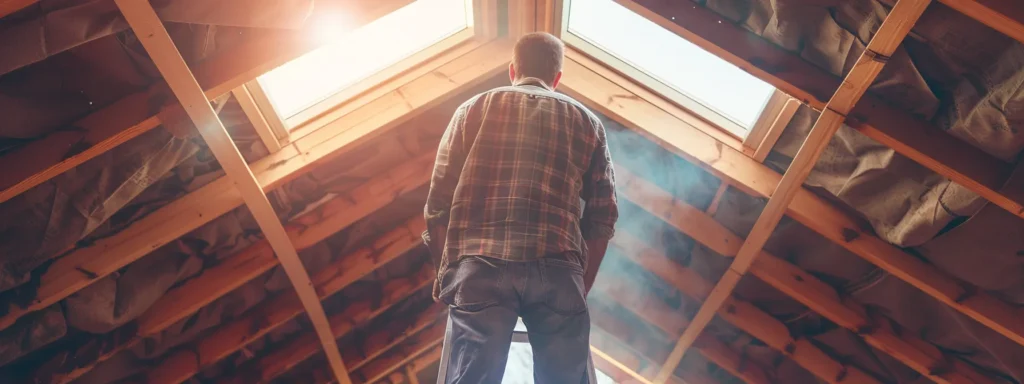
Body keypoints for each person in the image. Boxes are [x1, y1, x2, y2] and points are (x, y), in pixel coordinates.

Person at [422, 32, 619, 383]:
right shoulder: (588, 123)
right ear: (557, 78)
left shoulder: (471, 111)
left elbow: (437, 207)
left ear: (513, 70)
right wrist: (580, 284)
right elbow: (603, 218)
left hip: (479, 269)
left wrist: (446, 275)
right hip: (559, 270)